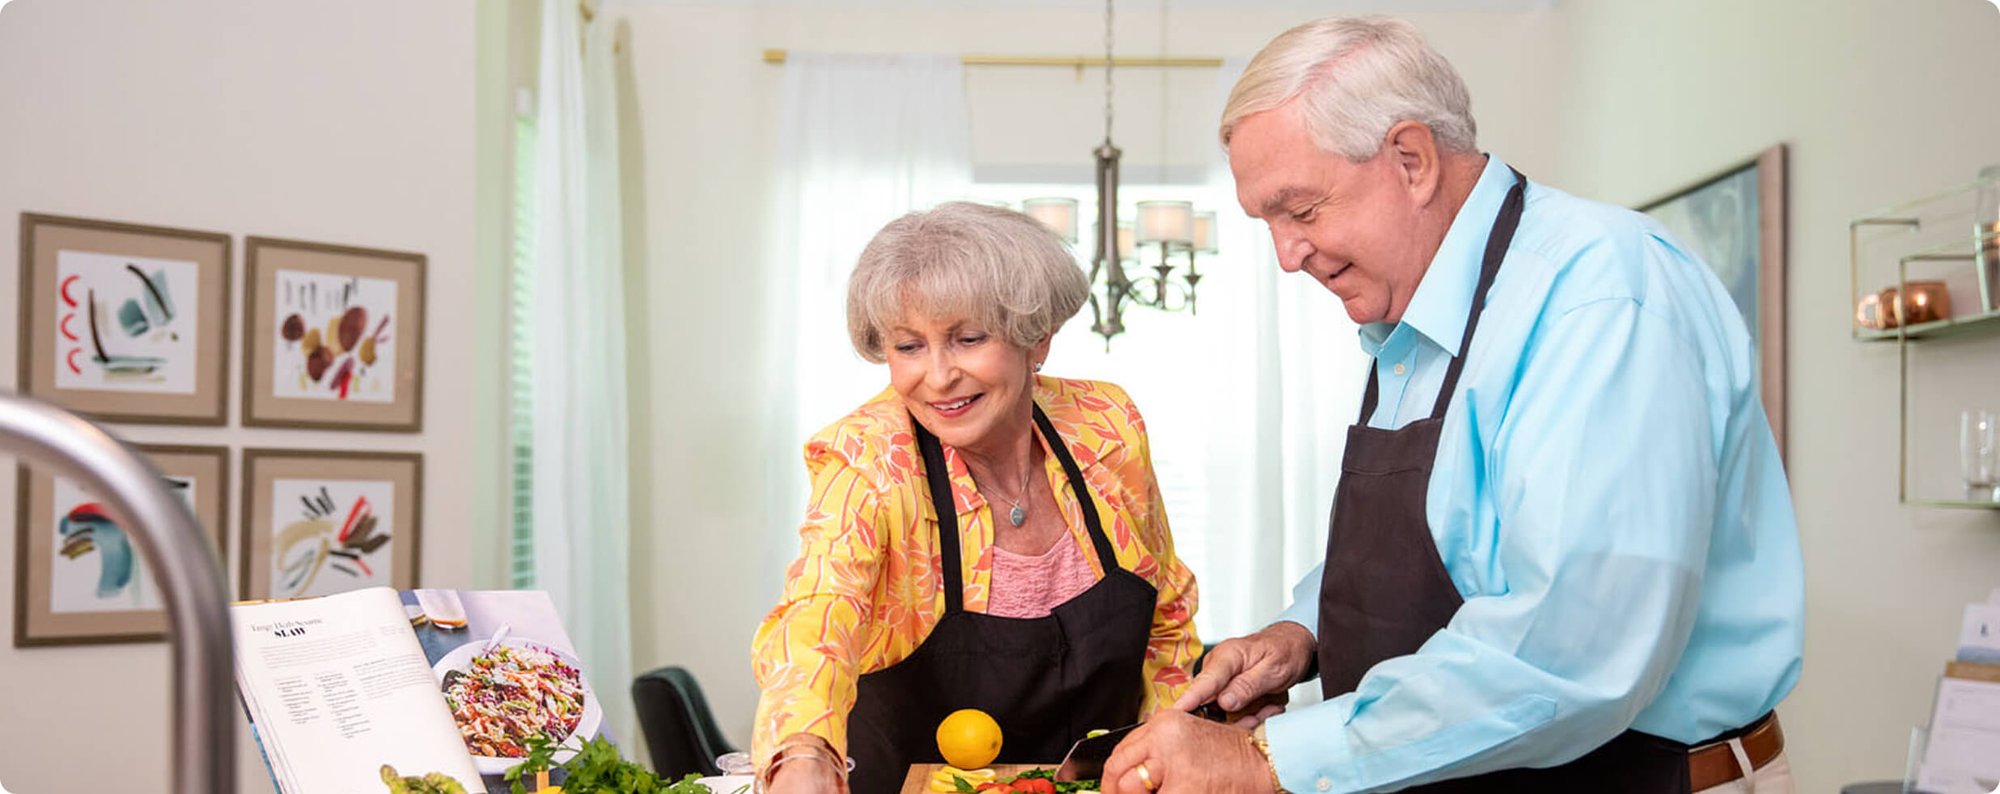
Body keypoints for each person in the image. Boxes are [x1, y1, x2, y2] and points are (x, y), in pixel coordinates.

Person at [1100, 15, 1803, 794]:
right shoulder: (1415, 317)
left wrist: (1265, 760)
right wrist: (1301, 633)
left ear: (1411, 159)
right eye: (1268, 223)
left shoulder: (1601, 297)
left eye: (1300, 211)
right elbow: (1454, 538)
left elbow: (1571, 649)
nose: (1287, 256)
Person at [750, 202, 1202, 794]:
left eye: (967, 339)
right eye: (908, 347)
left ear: (1036, 339)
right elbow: (818, 613)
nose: (937, 377)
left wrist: (1177, 740)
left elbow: (1165, 610)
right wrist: (803, 755)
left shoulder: (1105, 424)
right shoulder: (867, 456)